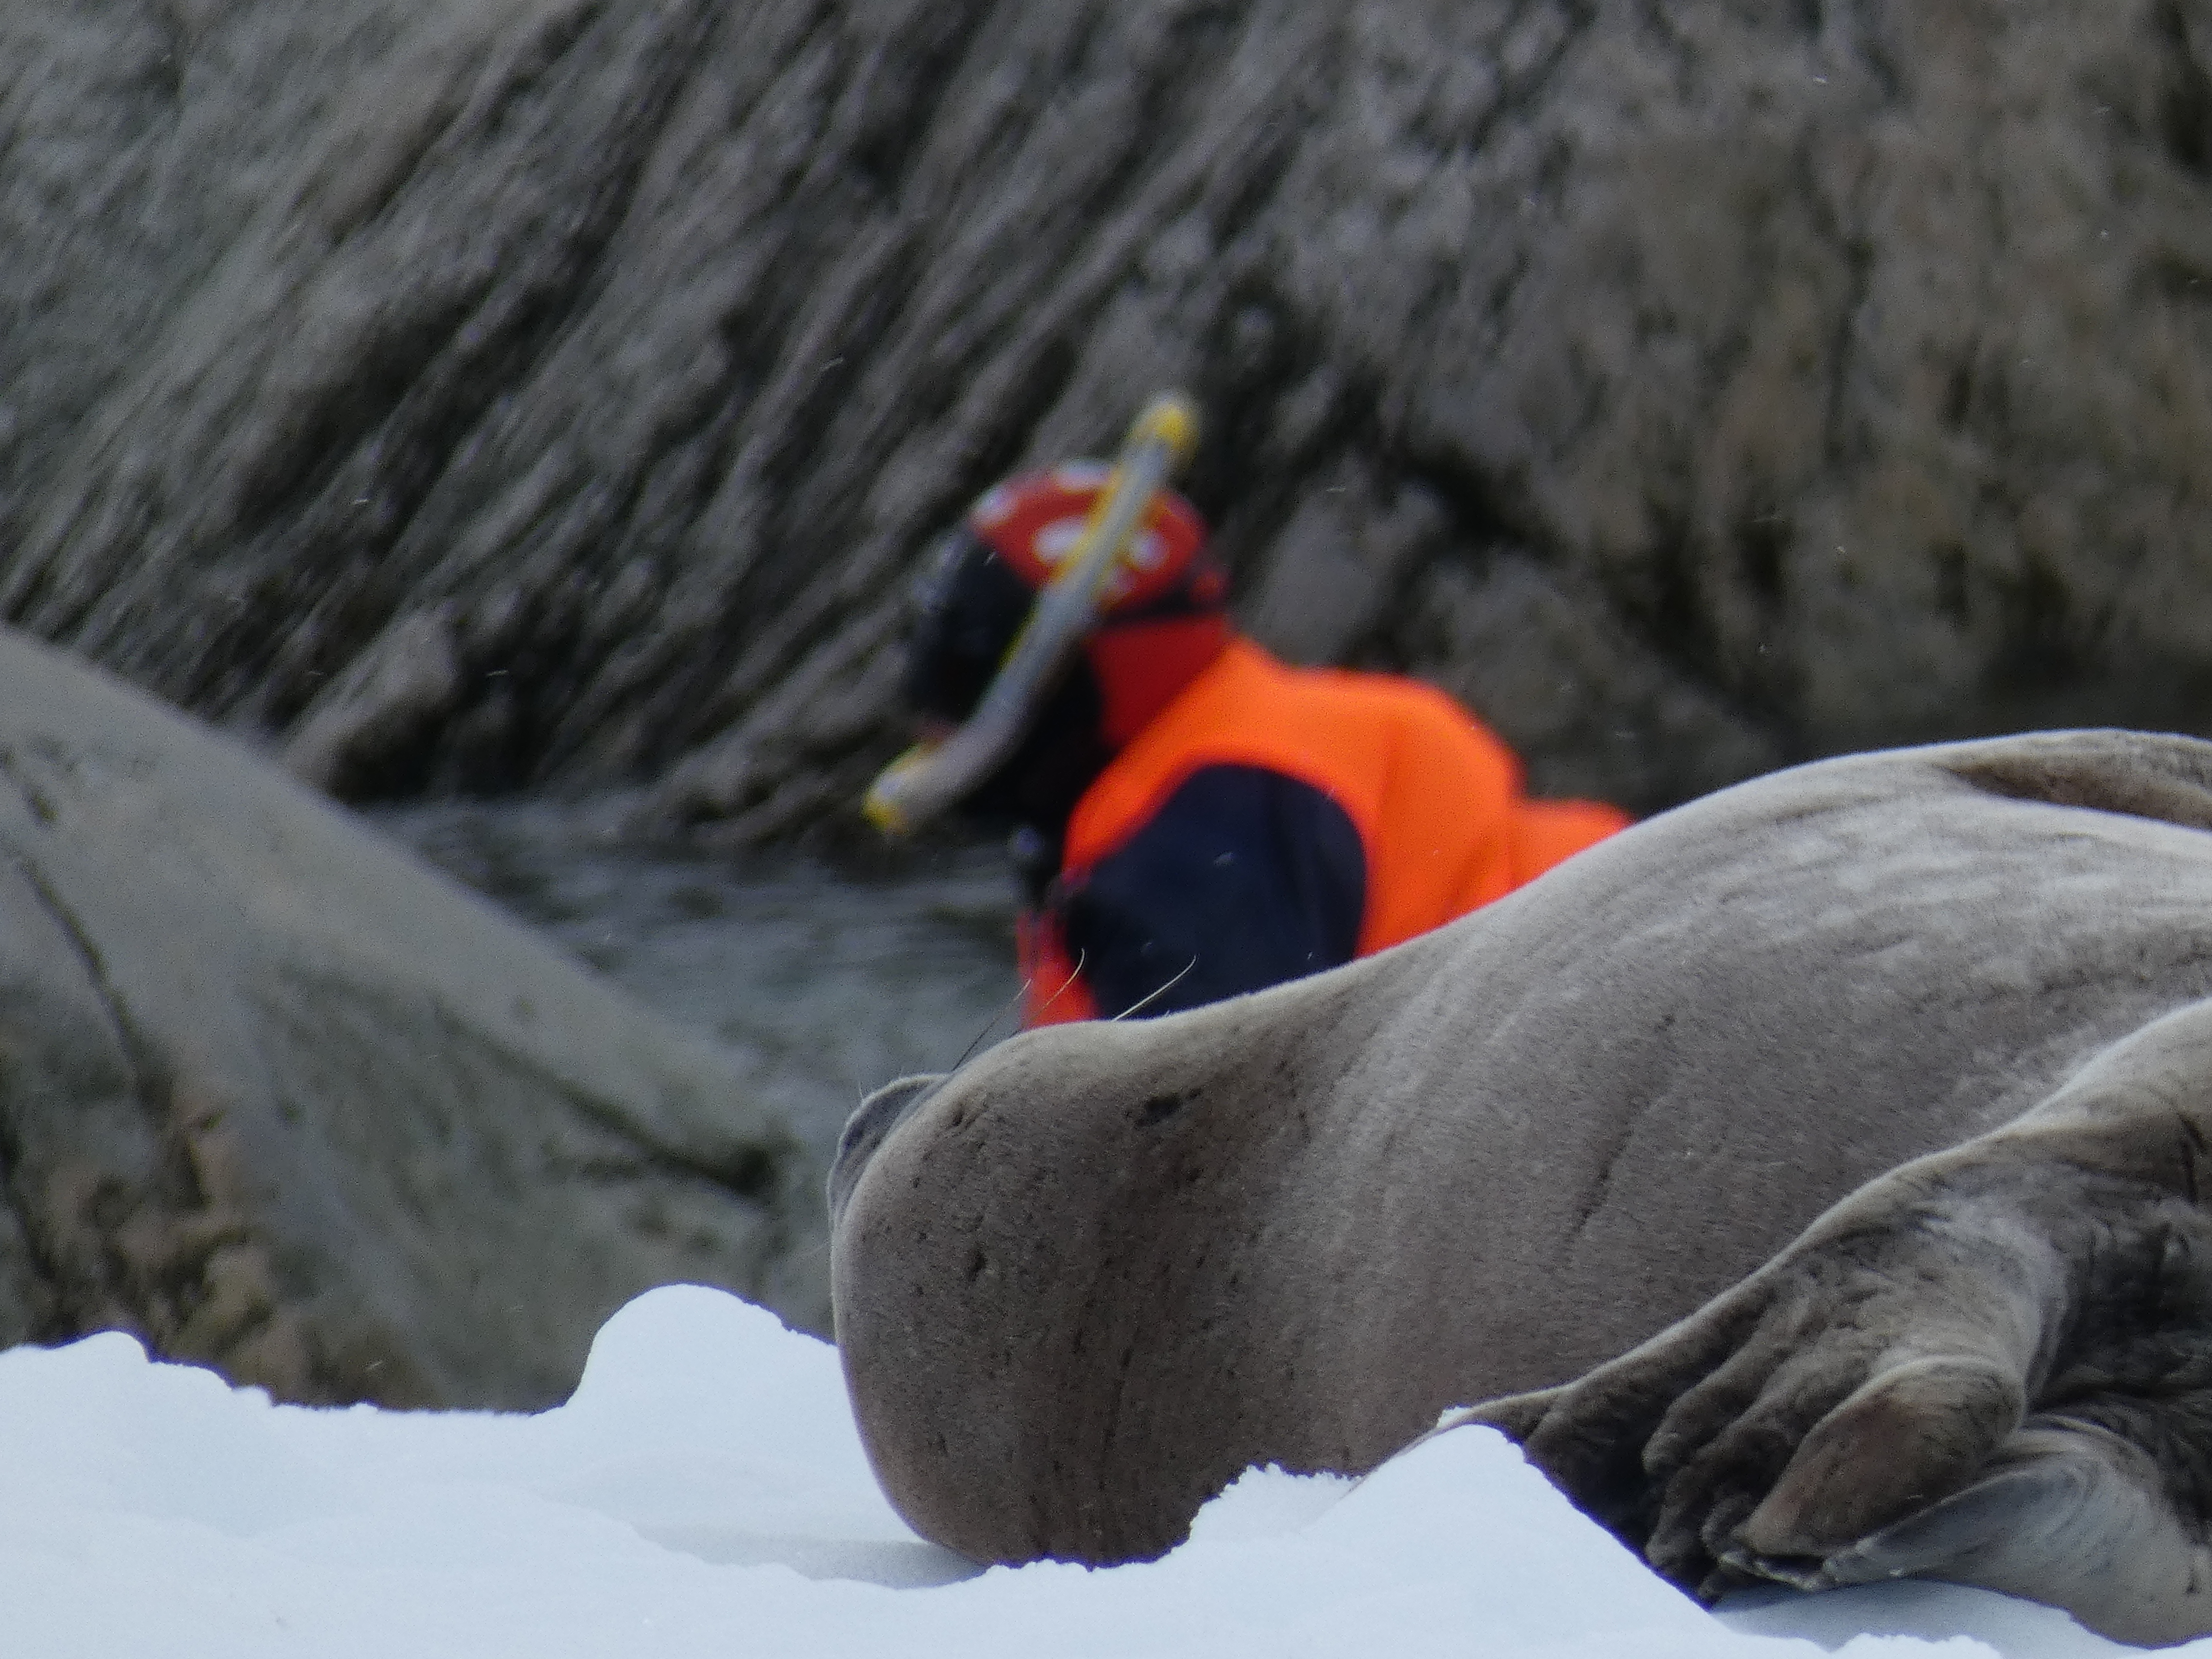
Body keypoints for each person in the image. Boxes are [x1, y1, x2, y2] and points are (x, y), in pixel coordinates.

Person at [895, 461, 1632, 1026]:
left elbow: (1218, 1164)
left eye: (956, 678)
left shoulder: (1181, 842)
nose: (926, 723)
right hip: (1640, 949)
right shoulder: (1263, 736)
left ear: (1078, 682)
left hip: (1599, 1030)